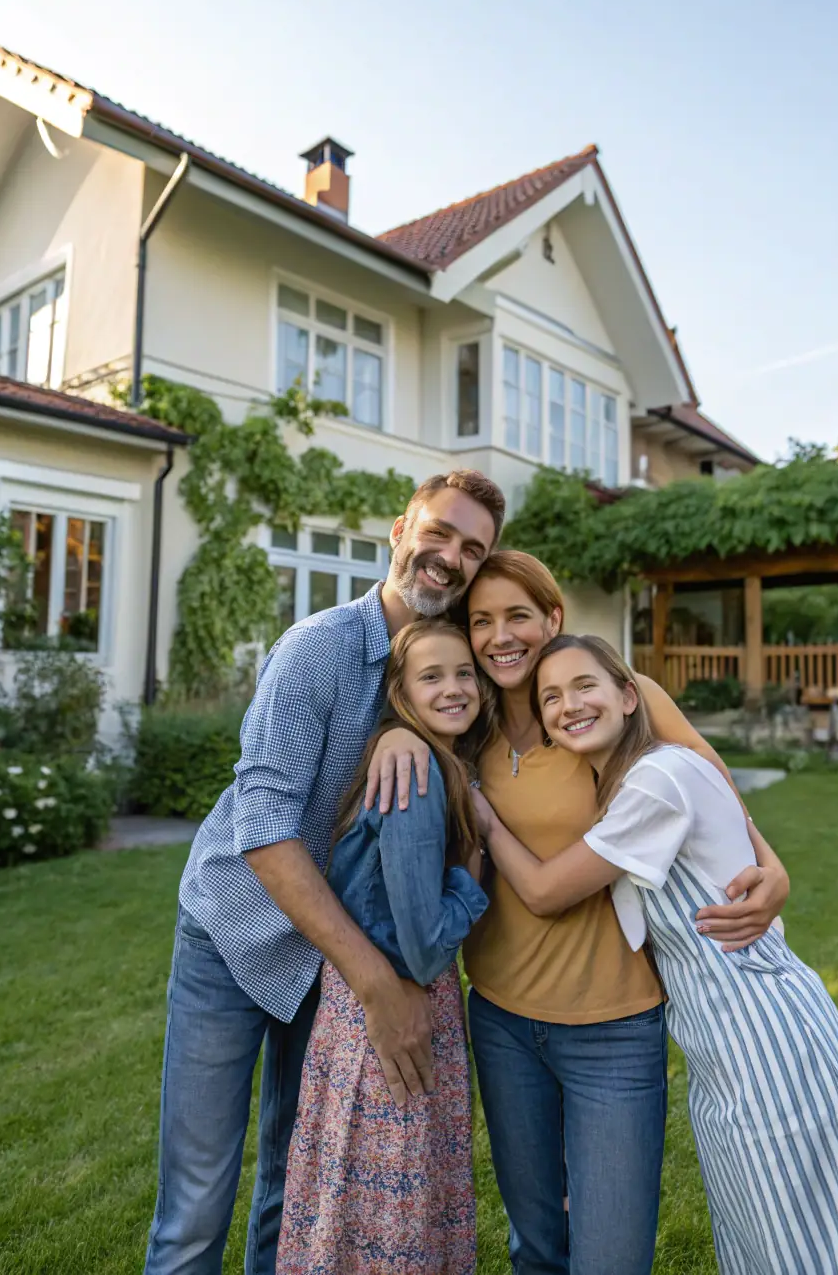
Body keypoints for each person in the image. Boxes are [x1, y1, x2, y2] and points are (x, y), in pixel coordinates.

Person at [366, 551, 790, 1275]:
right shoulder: (469, 728)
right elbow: (418, 708)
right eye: (482, 621)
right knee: (535, 1247)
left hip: (615, 1029)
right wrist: (398, 732)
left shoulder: (616, 701)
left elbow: (711, 782)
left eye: (519, 616)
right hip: (501, 1020)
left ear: (552, 619)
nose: (501, 636)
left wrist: (771, 864)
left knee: (612, 1258)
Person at [143, 469, 505, 1275]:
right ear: (399, 532)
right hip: (235, 933)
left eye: (472, 549)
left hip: (328, 960)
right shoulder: (319, 648)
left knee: (294, 1180)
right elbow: (263, 827)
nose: (449, 557)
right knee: (197, 1202)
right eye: (438, 532)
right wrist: (377, 980)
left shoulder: (455, 676)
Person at [478, 634, 838, 1275]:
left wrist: (486, 818)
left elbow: (546, 893)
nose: (568, 705)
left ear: (630, 697)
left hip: (766, 1037)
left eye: (584, 687)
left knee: (819, 1240)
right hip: (719, 1045)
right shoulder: (631, 785)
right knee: (759, 1238)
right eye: (550, 697)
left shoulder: (660, 780)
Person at [277, 620, 491, 1275]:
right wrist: (474, 868)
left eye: (464, 673)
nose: (454, 687)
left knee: (353, 1201)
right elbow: (425, 948)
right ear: (399, 692)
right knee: (387, 1210)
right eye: (432, 675)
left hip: (355, 1006)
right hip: (394, 1008)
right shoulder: (417, 771)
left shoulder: (426, 757)